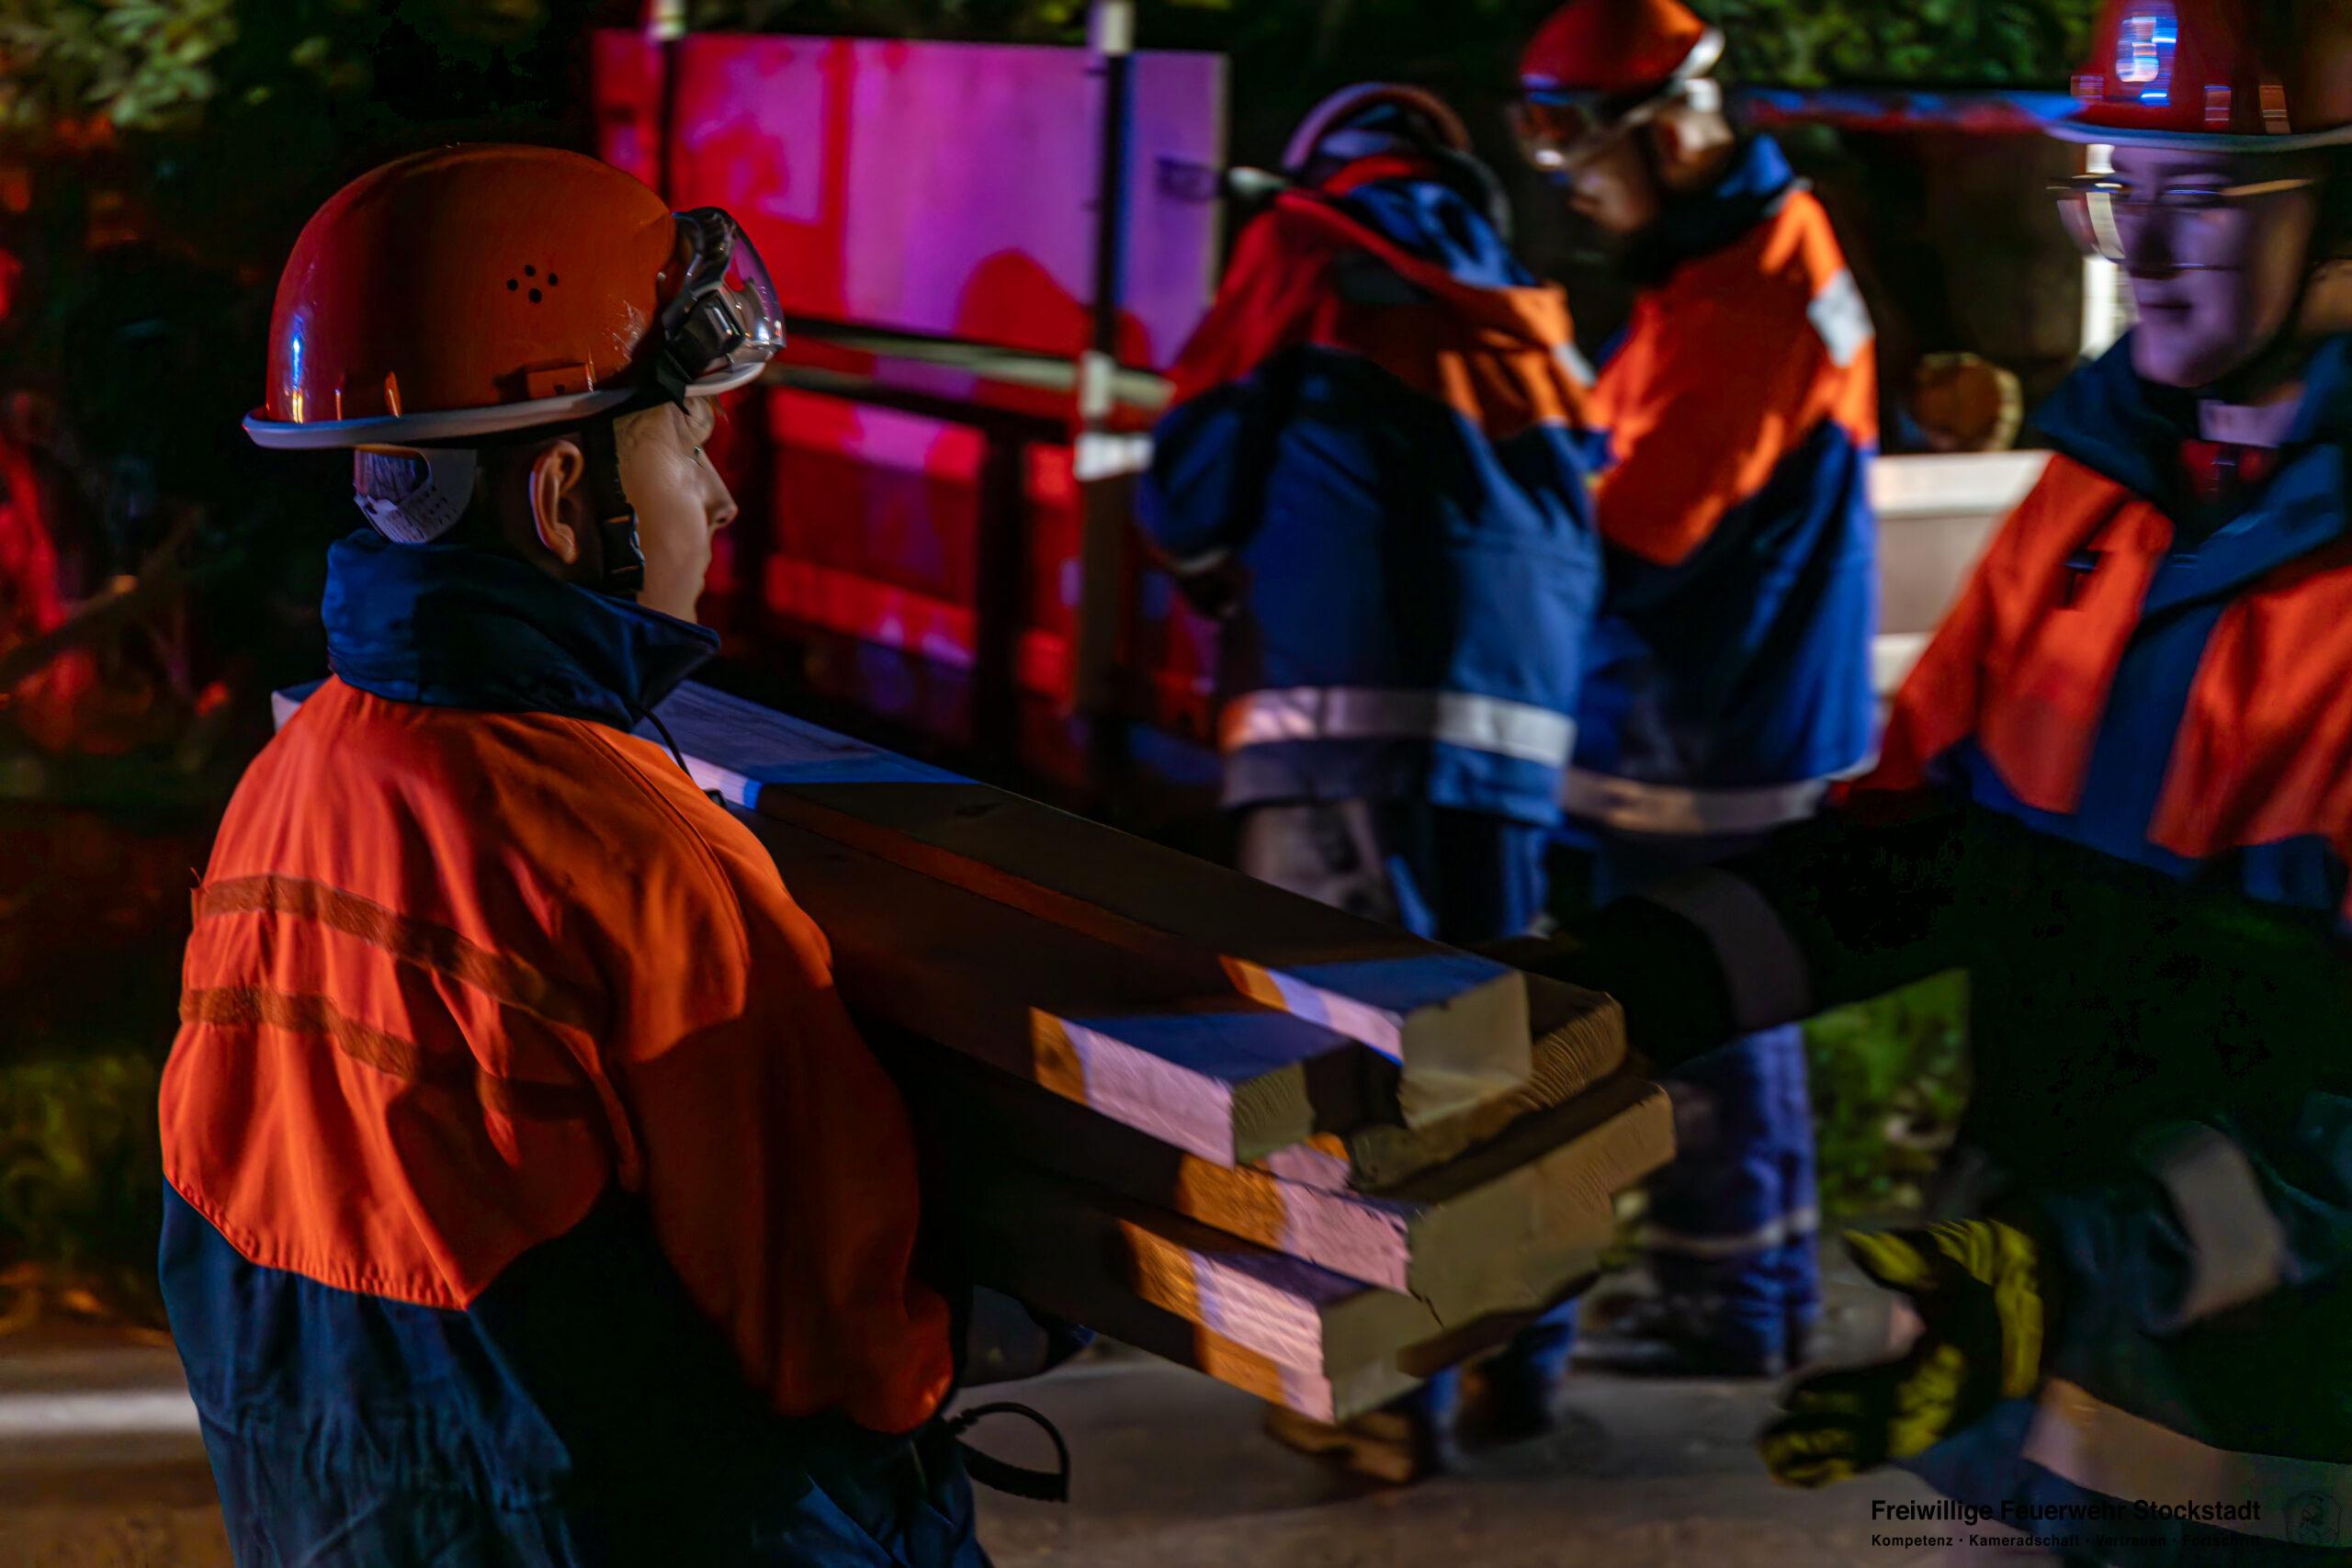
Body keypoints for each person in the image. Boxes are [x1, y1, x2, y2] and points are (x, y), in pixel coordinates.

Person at [1500, 0, 2352, 1561]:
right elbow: (1931, 850)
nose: (2144, 253)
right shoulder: (2102, 495)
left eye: (2208, 198)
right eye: (2119, 189)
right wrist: (1608, 996)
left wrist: (2085, 1262)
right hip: (2027, 1415)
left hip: (2288, 1458)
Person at [157, 145, 1009, 1565]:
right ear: (562, 497)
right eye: (687, 443)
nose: (717, 500)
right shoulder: (645, 866)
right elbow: (839, 1346)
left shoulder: (285, 786)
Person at [1500, 0, 1881, 1388]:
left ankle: (1734, 1300)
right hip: (1733, 706)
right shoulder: (1746, 252)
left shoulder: (1740, 297)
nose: (1576, 191)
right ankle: (1742, 1286)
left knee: (1702, 1006)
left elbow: (1641, 533)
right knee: (1724, 1001)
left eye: (1585, 157)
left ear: (1668, 133)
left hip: (1703, 721)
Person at [1141, 84, 1605, 954]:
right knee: (1493, 1009)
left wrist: (1204, 567)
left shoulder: (1301, 242)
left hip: (1336, 721)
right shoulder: (1535, 319)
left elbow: (1189, 496)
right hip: (1517, 740)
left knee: (1336, 1010)